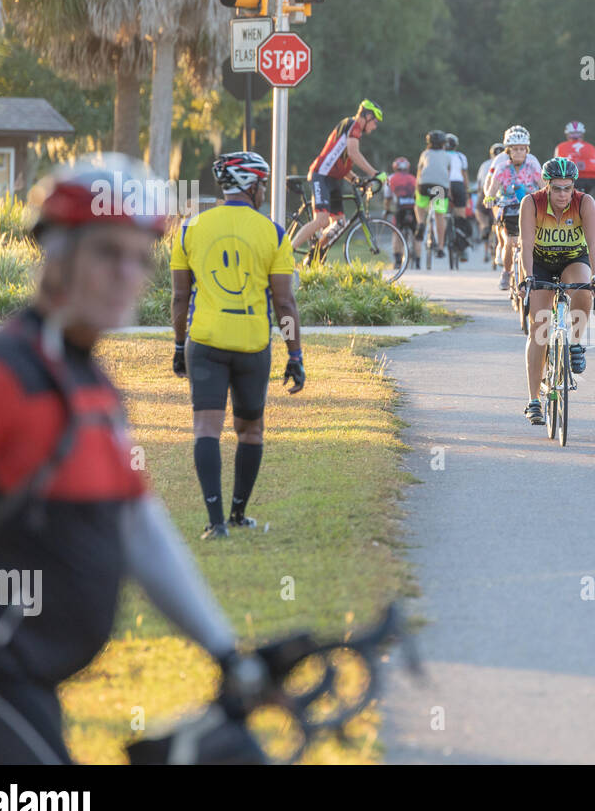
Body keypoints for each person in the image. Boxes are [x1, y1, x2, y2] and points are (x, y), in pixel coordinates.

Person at [0, 154, 266, 763]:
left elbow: (138, 529)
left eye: (139, 258)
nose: (127, 275)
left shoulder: (91, 386)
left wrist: (227, 653)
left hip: (26, 684)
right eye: (106, 254)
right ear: (58, 254)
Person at [171, 150, 303, 540]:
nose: (264, 190)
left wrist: (179, 347)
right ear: (251, 185)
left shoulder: (190, 228)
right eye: (262, 183)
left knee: (206, 429)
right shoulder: (274, 233)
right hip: (252, 345)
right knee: (250, 431)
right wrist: (295, 356)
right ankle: (238, 514)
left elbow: (180, 298)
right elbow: (285, 303)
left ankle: (215, 523)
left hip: (206, 341)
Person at [517, 157, 595, 425]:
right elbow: (525, 243)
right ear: (547, 186)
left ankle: (576, 343)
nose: (563, 195)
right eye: (557, 188)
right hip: (540, 263)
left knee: (583, 288)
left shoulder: (584, 202)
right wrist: (528, 278)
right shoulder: (532, 203)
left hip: (572, 259)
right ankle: (534, 400)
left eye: (568, 188)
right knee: (539, 328)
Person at [294, 99, 387, 251]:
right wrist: (375, 173)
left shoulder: (354, 132)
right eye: (375, 122)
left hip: (333, 179)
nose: (375, 126)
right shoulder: (352, 125)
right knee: (322, 220)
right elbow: (354, 153)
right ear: (368, 116)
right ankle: (287, 251)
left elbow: (340, 163)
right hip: (321, 175)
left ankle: (314, 256)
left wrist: (356, 180)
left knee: (339, 223)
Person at [483, 125, 542, 290]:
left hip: (530, 208)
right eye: (515, 149)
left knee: (534, 241)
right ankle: (507, 272)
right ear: (508, 151)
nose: (519, 152)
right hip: (509, 209)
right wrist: (489, 198)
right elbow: (492, 187)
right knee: (510, 241)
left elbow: (543, 185)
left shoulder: (532, 166)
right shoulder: (502, 167)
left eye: (522, 149)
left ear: (527, 150)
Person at [416, 130, 453, 260]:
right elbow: (447, 174)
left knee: (420, 207)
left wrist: (417, 188)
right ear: (444, 144)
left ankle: (420, 222)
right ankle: (441, 247)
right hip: (440, 187)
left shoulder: (425, 154)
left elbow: (419, 172)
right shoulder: (447, 156)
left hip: (424, 185)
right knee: (439, 215)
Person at [384, 156, 420, 270]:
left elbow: (387, 197)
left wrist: (387, 209)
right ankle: (418, 262)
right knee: (416, 234)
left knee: (396, 233)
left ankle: (398, 261)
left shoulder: (391, 178)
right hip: (413, 208)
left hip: (400, 209)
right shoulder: (414, 178)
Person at [476, 142, 504, 267]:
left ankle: (484, 226)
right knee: (499, 220)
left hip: (486, 192)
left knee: (479, 210)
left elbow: (479, 184)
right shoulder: (506, 163)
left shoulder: (485, 164)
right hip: (501, 194)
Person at [444, 133, 471, 260]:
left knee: (440, 214)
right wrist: (467, 191)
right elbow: (464, 175)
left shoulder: (440, 155)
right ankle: (463, 248)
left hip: (442, 185)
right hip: (458, 184)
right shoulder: (461, 156)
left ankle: (438, 241)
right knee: (461, 216)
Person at [554, 121, 595, 193]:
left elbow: (556, 165)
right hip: (589, 179)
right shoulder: (591, 147)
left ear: (568, 134)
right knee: (587, 198)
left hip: (570, 178)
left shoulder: (561, 147)